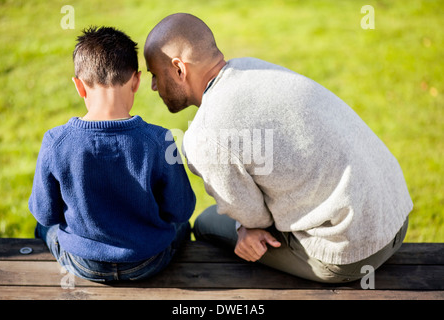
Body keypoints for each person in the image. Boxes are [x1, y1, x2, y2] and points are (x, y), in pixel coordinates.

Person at [143, 13, 413, 283]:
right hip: (395, 214)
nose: (154, 86)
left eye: (155, 74)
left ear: (179, 69)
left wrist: (245, 228)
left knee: (206, 223)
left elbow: (255, 219)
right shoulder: (252, 67)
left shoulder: (204, 136)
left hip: (353, 252)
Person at [29, 26, 196, 282]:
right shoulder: (160, 139)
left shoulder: (56, 141)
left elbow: (45, 213)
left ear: (79, 86)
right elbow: (181, 210)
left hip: (84, 262)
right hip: (148, 261)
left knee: (43, 228)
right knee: (182, 227)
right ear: (137, 81)